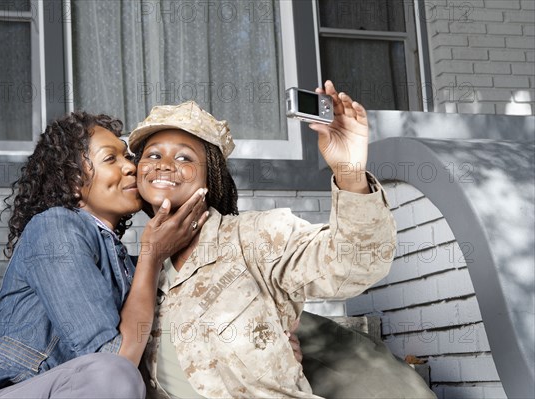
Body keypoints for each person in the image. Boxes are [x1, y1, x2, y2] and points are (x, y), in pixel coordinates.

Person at [126, 81, 433, 398]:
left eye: (185, 158)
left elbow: (353, 264)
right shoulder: (141, 276)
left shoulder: (256, 237)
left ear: (211, 175)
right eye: (153, 154)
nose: (164, 164)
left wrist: (350, 173)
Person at [0, 111, 209, 399]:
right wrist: (152, 254)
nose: (131, 168)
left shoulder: (123, 264)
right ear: (73, 181)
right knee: (114, 373)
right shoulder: (55, 226)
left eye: (128, 156)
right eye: (111, 159)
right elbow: (117, 361)